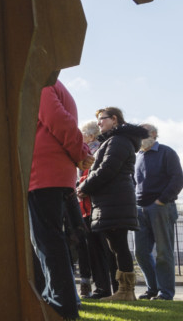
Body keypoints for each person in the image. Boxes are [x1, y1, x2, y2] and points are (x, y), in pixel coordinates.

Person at [28, 80, 93, 320]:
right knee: (49, 241)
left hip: (43, 172)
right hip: (55, 172)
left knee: (48, 242)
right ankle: (56, 298)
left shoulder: (43, 83)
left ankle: (61, 305)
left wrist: (82, 152)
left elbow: (57, 120)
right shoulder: (55, 85)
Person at [77, 107, 149, 302]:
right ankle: (123, 291)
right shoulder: (114, 140)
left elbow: (107, 169)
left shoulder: (118, 141)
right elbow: (99, 169)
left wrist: (84, 187)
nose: (99, 123)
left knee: (118, 246)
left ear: (114, 119)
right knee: (116, 246)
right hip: (111, 200)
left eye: (102, 119)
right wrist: (83, 185)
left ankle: (125, 292)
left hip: (115, 200)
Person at [134, 123, 183, 301]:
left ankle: (166, 293)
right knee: (140, 252)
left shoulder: (166, 152)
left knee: (163, 253)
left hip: (161, 208)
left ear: (154, 134)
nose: (139, 137)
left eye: (142, 133)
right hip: (140, 210)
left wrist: (161, 201)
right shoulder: (137, 156)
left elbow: (178, 180)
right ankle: (152, 289)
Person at [77, 121, 117, 299]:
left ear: (91, 136)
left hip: (98, 206)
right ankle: (101, 288)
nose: (80, 138)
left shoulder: (98, 151)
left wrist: (83, 186)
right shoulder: (82, 153)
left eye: (83, 134)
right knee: (93, 250)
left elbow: (99, 176)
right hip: (85, 208)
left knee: (106, 250)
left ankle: (115, 288)